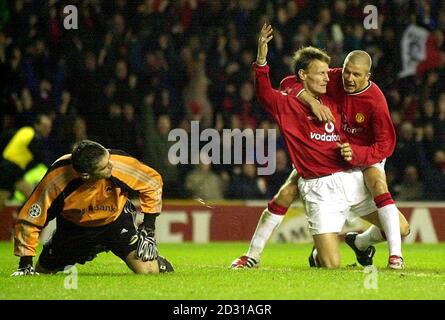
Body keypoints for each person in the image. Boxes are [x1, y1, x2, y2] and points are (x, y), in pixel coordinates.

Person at [232, 41, 410, 270]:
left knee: (402, 227)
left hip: (351, 175)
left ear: (368, 75)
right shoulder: (290, 104)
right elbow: (272, 88)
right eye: (323, 74)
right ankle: (254, 256)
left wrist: (356, 154)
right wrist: (262, 62)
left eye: (329, 73)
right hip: (319, 188)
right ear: (304, 76)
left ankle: (363, 244)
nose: (331, 78)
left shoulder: (335, 99)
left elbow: (384, 143)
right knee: (329, 262)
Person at [11, 140, 173, 276]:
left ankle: (159, 262)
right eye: (104, 167)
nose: (111, 166)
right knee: (43, 272)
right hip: (75, 229)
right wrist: (25, 262)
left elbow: (152, 182)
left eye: (108, 160)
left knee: (148, 271)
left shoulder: (118, 163)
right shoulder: (57, 179)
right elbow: (31, 217)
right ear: (86, 175)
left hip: (116, 222)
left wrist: (148, 228)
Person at [0, 114, 53, 214]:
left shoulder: (24, 130)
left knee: (32, 196)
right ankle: (20, 219)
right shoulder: (34, 137)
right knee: (33, 197)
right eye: (45, 126)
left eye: (49, 127)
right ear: (37, 125)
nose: (48, 130)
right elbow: (42, 158)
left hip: (10, 169)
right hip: (10, 170)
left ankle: (19, 219)